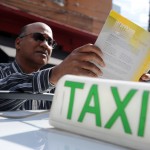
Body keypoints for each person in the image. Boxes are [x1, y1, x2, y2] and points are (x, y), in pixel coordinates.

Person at [0, 22, 105, 111]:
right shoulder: (1, 71)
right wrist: (55, 74)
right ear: (18, 43)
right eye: (38, 37)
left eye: (50, 42)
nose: (45, 45)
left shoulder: (58, 88)